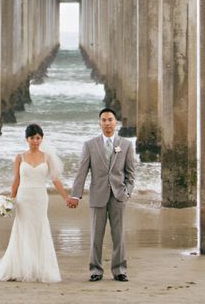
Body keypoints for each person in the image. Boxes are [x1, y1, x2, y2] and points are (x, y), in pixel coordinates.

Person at [0, 123, 69, 283]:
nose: (35, 141)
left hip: (39, 197)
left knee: (40, 228)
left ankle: (40, 268)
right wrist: (10, 200)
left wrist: (66, 198)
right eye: (32, 138)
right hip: (24, 198)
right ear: (27, 139)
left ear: (42, 138)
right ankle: (22, 267)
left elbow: (55, 179)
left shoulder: (47, 157)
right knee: (23, 229)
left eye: (38, 138)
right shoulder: (20, 157)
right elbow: (16, 180)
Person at [67, 107, 135, 282]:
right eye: (103, 120)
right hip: (98, 195)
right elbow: (82, 171)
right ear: (99, 123)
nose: (107, 123)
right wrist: (76, 194)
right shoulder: (90, 145)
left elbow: (130, 173)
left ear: (116, 122)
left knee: (118, 235)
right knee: (96, 235)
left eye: (110, 119)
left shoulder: (126, 145)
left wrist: (127, 192)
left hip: (118, 195)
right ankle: (95, 270)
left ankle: (119, 270)